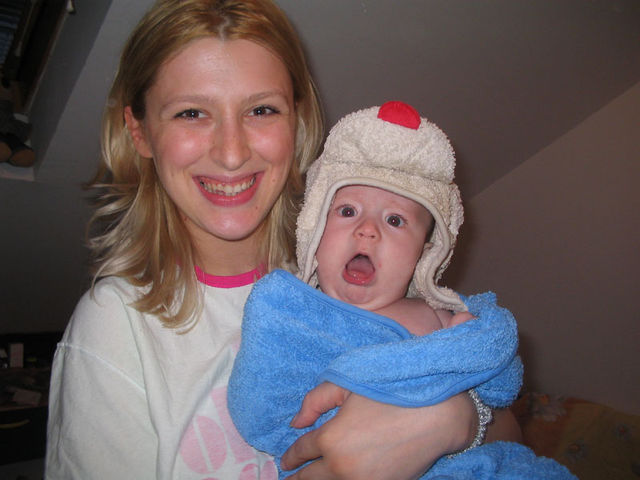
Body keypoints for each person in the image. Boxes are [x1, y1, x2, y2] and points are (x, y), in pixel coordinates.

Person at [44, 2, 512, 479]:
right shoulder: (116, 324)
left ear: (297, 122)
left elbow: (510, 429)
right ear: (140, 132)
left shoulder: (351, 268)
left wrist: (452, 419)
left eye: (261, 110)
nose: (231, 153)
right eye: (191, 113)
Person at [228, 102, 576, 479]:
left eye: (395, 220)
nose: (368, 230)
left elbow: (501, 402)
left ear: (423, 255)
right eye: (347, 211)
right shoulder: (294, 316)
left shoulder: (439, 316)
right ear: (314, 229)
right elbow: (260, 412)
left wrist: (472, 349)